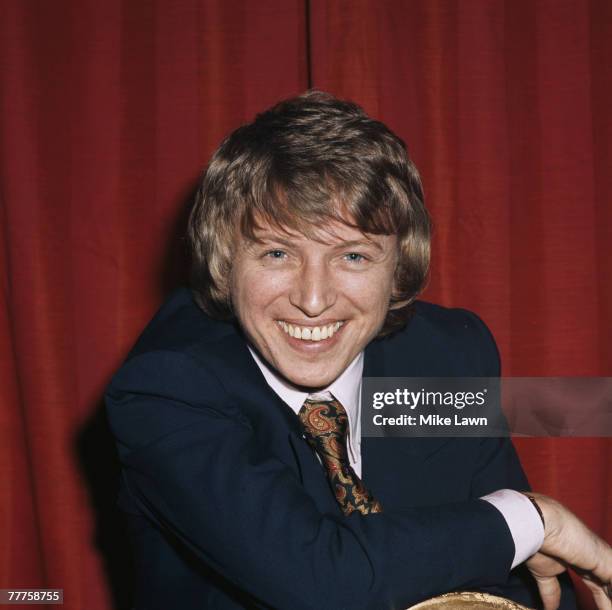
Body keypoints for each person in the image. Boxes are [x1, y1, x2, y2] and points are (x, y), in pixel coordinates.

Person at [105, 91, 612, 610]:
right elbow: (324, 583)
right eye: (278, 253)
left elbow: (512, 579)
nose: (313, 300)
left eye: (353, 256)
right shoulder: (167, 387)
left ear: (399, 265)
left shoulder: (448, 356)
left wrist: (521, 535)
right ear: (225, 259)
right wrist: (533, 518)